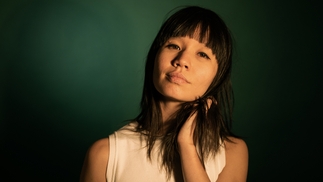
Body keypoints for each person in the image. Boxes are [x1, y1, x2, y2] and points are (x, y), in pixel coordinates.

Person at [80, 6, 248, 182]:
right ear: (155, 56)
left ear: (218, 76)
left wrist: (186, 145)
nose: (182, 60)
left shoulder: (231, 152)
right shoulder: (104, 155)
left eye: (202, 54)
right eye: (174, 46)